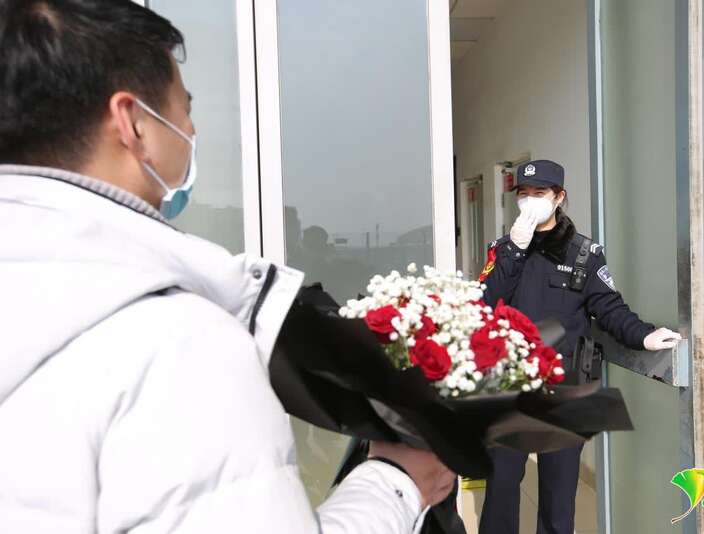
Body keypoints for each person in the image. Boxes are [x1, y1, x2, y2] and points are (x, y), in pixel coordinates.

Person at [0, 1, 454, 532]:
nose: (191, 129)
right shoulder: (173, 339)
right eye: (184, 108)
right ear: (134, 123)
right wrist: (396, 482)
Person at [477, 160, 681, 534]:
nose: (530, 201)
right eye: (524, 194)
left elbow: (609, 308)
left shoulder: (584, 254)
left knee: (558, 498)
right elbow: (484, 304)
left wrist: (644, 335)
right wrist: (514, 251)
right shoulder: (502, 249)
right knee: (500, 488)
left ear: (559, 198)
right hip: (509, 384)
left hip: (565, 385)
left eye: (539, 193)